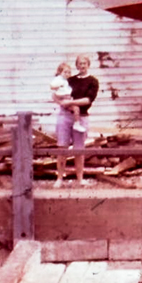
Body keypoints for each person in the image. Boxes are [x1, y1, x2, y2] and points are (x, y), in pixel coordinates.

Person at [55, 54, 99, 187]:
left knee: (79, 149)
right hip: (65, 116)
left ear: (88, 65)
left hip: (82, 117)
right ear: (76, 65)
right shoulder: (70, 80)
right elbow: (59, 91)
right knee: (62, 147)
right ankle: (59, 179)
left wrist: (71, 102)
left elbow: (88, 100)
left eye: (84, 63)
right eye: (80, 63)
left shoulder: (93, 81)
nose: (82, 66)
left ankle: (80, 179)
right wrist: (61, 102)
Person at [50, 62, 86, 131]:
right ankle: (77, 124)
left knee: (76, 109)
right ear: (60, 72)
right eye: (65, 72)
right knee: (76, 109)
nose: (67, 74)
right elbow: (52, 86)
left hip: (67, 98)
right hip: (63, 98)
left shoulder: (66, 80)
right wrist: (58, 86)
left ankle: (76, 123)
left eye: (69, 72)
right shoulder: (59, 79)